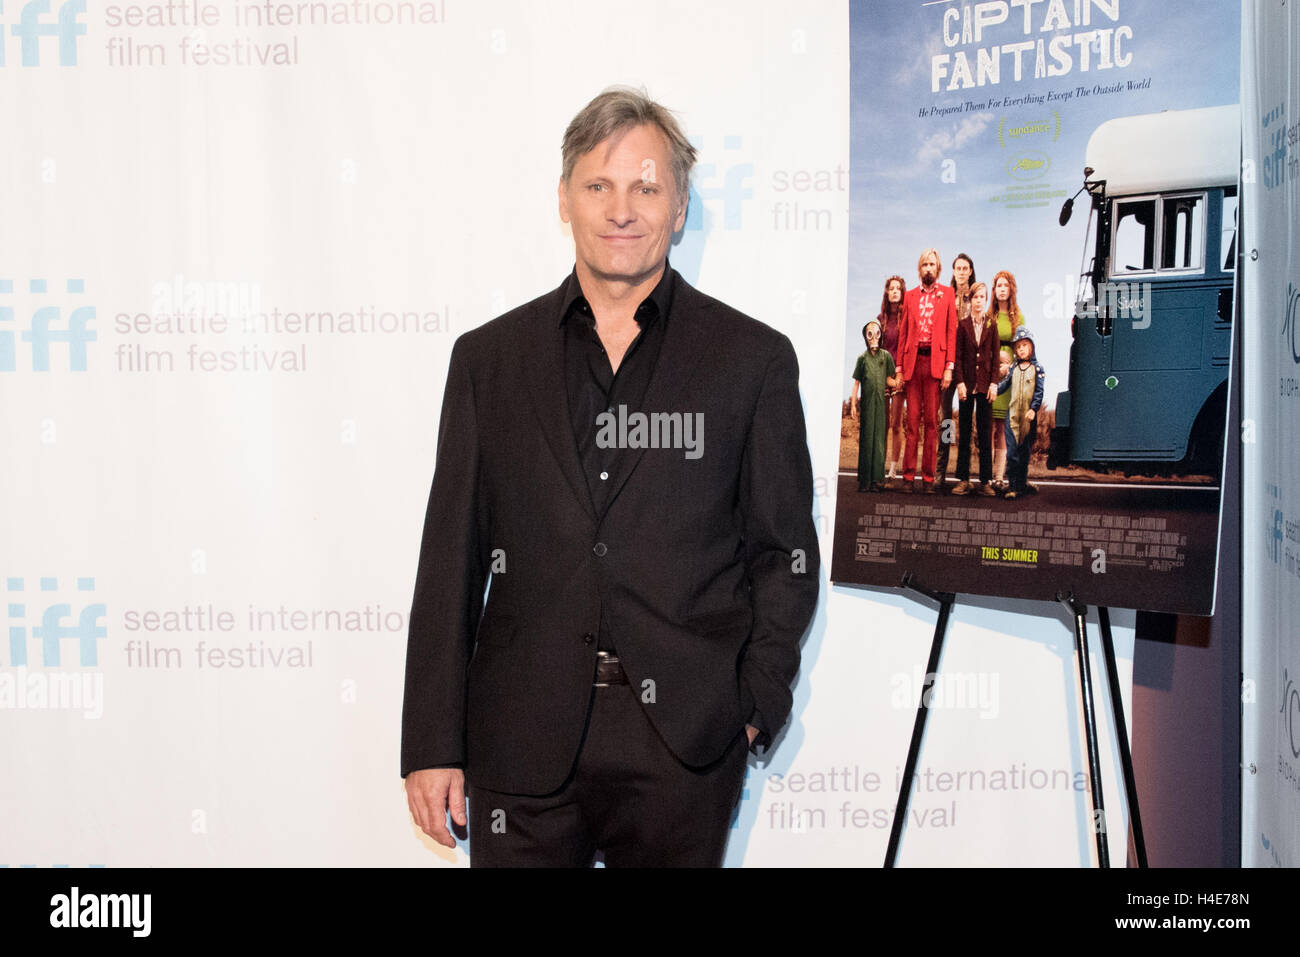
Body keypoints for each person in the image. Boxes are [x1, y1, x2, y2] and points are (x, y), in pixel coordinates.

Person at [401, 87, 819, 867]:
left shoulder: (753, 362)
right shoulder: (487, 362)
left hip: (683, 745)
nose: (621, 208)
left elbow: (783, 554)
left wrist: (751, 704)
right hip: (518, 735)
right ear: (564, 200)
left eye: (646, 186)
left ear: (680, 206)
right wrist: (431, 740)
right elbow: (450, 560)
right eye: (599, 185)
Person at [896, 249, 957, 493]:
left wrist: (948, 367)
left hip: (935, 364)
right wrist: (900, 368)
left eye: (932, 264)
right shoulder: (910, 296)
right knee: (912, 424)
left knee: (933, 423)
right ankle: (908, 477)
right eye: (924, 265)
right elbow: (903, 334)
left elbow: (951, 332)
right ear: (919, 269)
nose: (928, 269)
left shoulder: (948, 294)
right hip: (913, 364)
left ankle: (929, 479)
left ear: (938, 268)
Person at [951, 281, 999, 496]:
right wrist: (960, 382)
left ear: (986, 300)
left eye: (982, 297)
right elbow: (958, 357)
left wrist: (994, 383)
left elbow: (996, 358)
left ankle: (985, 480)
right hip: (967, 386)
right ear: (969, 300)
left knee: (985, 432)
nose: (979, 301)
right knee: (965, 432)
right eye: (975, 297)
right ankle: (963, 479)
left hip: (985, 387)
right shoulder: (962, 325)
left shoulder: (992, 325)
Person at [934, 254, 975, 492]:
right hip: (947, 367)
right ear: (953, 271)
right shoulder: (945, 296)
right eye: (958, 268)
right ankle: (940, 471)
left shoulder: (976, 296)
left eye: (965, 268)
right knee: (946, 421)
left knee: (967, 424)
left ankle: (964, 476)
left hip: (968, 369)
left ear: (970, 271)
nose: (961, 271)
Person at [994, 327, 1045, 500]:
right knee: (1012, 452)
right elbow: (1004, 385)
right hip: (1013, 416)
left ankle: (1022, 484)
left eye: (1025, 345)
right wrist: (993, 390)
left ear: (1031, 347)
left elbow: (1039, 391)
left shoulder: (1037, 369)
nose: (1021, 349)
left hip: (1028, 417)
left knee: (1024, 452)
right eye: (1018, 346)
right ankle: (1013, 485)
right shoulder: (1013, 368)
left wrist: (1034, 409)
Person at [850, 318, 898, 492]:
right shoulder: (862, 359)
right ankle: (864, 480)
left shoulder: (885, 356)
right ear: (866, 336)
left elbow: (890, 380)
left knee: (879, 441)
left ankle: (876, 480)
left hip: (881, 405)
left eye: (876, 332)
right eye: (870, 333)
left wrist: (900, 380)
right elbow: (856, 383)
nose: (874, 337)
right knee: (866, 440)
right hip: (868, 406)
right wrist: (854, 404)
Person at [988, 270, 1025, 493]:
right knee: (989, 427)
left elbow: (1022, 349)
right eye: (998, 285)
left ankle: (999, 476)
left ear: (1011, 289)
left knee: (1002, 428)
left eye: (1005, 285)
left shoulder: (1019, 318)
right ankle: (987, 476)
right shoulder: (988, 316)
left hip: (1008, 377)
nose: (1002, 289)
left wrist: (1007, 366)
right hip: (990, 374)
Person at [877, 276, 907, 486]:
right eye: (891, 288)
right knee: (883, 424)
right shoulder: (881, 319)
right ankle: (878, 466)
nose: (895, 291)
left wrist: (900, 374)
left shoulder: (907, 317)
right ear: (887, 293)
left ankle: (894, 469)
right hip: (883, 376)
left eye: (898, 288)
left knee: (896, 424)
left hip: (899, 376)